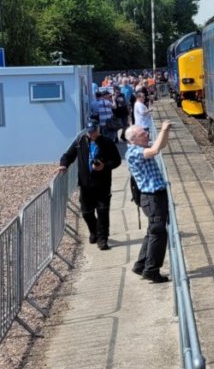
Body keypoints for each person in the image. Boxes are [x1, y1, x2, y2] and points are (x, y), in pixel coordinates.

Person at [57, 119, 122, 250]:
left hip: (102, 184)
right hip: (85, 184)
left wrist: (104, 166)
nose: (92, 134)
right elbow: (68, 155)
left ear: (98, 130)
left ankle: (102, 239)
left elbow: (117, 161)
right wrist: (63, 165)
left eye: (94, 132)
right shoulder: (80, 142)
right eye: (90, 132)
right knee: (87, 212)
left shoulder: (107, 142)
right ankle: (94, 231)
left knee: (103, 211)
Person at [125, 120, 173, 283]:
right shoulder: (133, 152)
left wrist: (164, 132)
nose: (146, 134)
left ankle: (141, 265)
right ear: (133, 139)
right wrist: (163, 129)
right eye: (142, 134)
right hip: (151, 197)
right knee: (158, 232)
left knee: (153, 231)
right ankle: (151, 269)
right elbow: (155, 150)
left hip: (155, 196)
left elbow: (161, 146)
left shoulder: (141, 148)